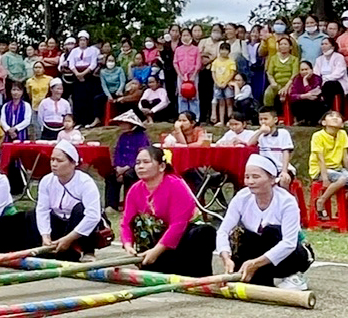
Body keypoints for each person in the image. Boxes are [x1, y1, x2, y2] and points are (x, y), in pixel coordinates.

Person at [217, 154, 313, 290]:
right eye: (247, 177)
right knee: (244, 237)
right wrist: (226, 258)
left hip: (290, 254)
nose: (250, 182)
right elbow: (223, 231)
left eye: (255, 177)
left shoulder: (287, 201)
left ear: (272, 179)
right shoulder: (242, 197)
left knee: (271, 231)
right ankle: (262, 274)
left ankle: (291, 274)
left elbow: (289, 243)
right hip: (259, 252)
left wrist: (255, 263)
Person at [120, 146, 215, 276]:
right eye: (137, 163)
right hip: (154, 240)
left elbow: (178, 224)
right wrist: (128, 246)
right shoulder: (135, 190)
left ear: (162, 167)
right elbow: (126, 222)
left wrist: (156, 251)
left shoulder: (176, 185)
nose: (140, 166)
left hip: (182, 240)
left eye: (146, 162)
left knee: (204, 232)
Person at [35, 141, 105, 262]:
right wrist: (45, 236)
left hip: (79, 223)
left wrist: (69, 239)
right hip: (60, 221)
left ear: (73, 163)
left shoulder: (85, 182)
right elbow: (42, 210)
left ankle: (87, 249)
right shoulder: (46, 181)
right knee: (30, 215)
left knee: (80, 209)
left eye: (59, 161)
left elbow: (93, 216)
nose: (54, 164)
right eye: (52, 160)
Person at [104, 110, 150, 211]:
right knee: (110, 175)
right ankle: (111, 205)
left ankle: (129, 204)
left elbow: (142, 155)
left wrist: (127, 167)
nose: (121, 125)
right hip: (121, 166)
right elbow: (117, 153)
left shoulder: (141, 137)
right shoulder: (122, 137)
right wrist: (117, 168)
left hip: (136, 166)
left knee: (129, 175)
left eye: (123, 123)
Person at [311, 109, 348, 220]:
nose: (335, 118)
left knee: (345, 177)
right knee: (342, 179)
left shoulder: (342, 134)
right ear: (324, 122)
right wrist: (325, 178)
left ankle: (344, 211)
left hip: (338, 169)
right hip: (320, 169)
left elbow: (345, 157)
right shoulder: (317, 136)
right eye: (331, 116)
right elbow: (320, 159)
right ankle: (321, 201)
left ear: (342, 124)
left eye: (338, 116)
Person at [248, 106, 294, 189]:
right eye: (261, 119)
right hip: (266, 169)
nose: (263, 122)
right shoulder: (259, 134)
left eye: (266, 119)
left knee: (283, 181)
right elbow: (249, 144)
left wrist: (284, 171)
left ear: (275, 120)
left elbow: (286, 152)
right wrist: (260, 131)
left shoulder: (283, 133)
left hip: (280, 169)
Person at [65, 31, 101, 126]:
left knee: (88, 99)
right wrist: (77, 74)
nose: (82, 42)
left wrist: (83, 74)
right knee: (77, 99)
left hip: (88, 77)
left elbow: (93, 64)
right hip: (76, 77)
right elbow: (71, 63)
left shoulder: (93, 50)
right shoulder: (74, 51)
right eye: (80, 40)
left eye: (84, 40)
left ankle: (88, 120)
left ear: (87, 41)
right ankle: (78, 120)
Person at [314, 36, 348, 111]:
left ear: (332, 46)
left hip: (338, 82)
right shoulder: (319, 59)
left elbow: (339, 72)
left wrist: (326, 79)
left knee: (329, 84)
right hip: (322, 83)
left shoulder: (339, 57)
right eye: (322, 44)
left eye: (326, 44)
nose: (323, 46)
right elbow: (316, 73)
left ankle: (327, 107)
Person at [173, 29, 201, 118]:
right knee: (182, 96)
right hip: (181, 76)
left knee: (194, 96)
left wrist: (193, 75)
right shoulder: (178, 50)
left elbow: (198, 63)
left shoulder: (196, 49)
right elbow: (175, 63)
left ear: (191, 37)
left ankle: (195, 117)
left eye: (187, 35)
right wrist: (180, 75)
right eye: (184, 35)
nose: (186, 38)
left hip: (193, 75)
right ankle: (182, 116)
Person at [264, 35, 298, 107]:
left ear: (290, 47)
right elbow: (269, 73)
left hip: (290, 84)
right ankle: (270, 113)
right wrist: (273, 82)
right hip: (276, 84)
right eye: (281, 44)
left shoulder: (294, 59)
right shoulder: (273, 58)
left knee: (290, 94)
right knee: (268, 94)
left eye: (285, 44)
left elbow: (294, 75)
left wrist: (286, 87)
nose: (283, 46)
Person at [286, 61, 323, 126]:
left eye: (306, 69)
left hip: (315, 103)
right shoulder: (297, 79)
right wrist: (304, 96)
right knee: (297, 103)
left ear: (311, 70)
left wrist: (305, 81)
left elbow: (313, 93)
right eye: (302, 70)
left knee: (313, 102)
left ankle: (313, 121)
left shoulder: (317, 78)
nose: (304, 72)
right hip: (302, 102)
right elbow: (292, 96)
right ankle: (301, 120)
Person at [209, 43, 237, 125]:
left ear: (229, 51)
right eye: (222, 49)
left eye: (226, 50)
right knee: (221, 103)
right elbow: (213, 73)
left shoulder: (231, 62)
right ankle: (221, 121)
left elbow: (232, 73)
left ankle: (230, 120)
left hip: (228, 85)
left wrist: (226, 82)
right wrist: (216, 82)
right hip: (217, 85)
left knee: (229, 102)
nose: (224, 52)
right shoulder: (215, 62)